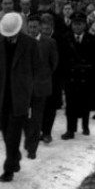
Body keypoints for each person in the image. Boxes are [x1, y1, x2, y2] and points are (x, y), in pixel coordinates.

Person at [0, 12, 40, 182]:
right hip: (2, 93)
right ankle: (15, 155)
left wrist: (29, 90)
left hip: (20, 94)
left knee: (13, 132)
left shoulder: (30, 44)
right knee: (5, 130)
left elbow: (36, 68)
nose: (9, 37)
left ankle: (9, 168)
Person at [61, 11, 95, 139]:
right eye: (75, 24)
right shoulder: (66, 39)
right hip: (71, 77)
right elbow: (62, 59)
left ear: (85, 25)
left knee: (85, 103)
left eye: (80, 24)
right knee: (70, 104)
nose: (77, 27)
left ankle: (85, 125)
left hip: (87, 77)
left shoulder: (92, 39)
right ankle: (70, 130)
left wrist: (89, 69)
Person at [24, 13, 58, 158]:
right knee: (24, 116)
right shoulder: (23, 41)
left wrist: (43, 75)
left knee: (37, 117)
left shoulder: (48, 42)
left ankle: (32, 149)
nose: (32, 30)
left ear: (40, 27)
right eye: (30, 27)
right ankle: (29, 138)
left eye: (35, 27)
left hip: (41, 85)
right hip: (24, 87)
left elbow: (54, 63)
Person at [39, 13, 64, 143]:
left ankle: (47, 132)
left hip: (55, 77)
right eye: (43, 29)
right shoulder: (38, 40)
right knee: (41, 106)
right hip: (41, 79)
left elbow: (58, 60)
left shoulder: (59, 39)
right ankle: (41, 130)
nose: (45, 32)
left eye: (47, 29)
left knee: (51, 106)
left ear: (52, 27)